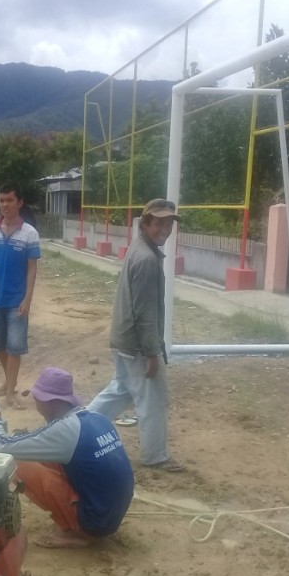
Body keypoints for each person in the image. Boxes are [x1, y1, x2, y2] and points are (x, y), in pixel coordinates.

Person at [0, 367, 135, 548]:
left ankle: (77, 532)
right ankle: (80, 519)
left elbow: (1, 447)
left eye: (37, 400)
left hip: (94, 523)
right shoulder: (96, 417)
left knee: (18, 462)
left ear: (50, 402)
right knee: (40, 455)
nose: (36, 406)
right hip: (112, 513)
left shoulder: (65, 430)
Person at [88, 198, 184, 472]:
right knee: (153, 399)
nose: (165, 229)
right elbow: (145, 312)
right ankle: (155, 455)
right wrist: (152, 352)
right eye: (159, 223)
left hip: (125, 340)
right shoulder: (146, 259)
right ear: (146, 224)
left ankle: (80, 426)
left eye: (169, 223)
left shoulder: (142, 249)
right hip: (136, 345)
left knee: (120, 390)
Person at [0, 182, 41, 410]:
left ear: (19, 202)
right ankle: (9, 381)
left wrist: (28, 299)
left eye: (10, 200)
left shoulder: (29, 233)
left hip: (17, 301)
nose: (5, 204)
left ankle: (10, 392)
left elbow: (32, 267)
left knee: (15, 347)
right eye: (2, 200)